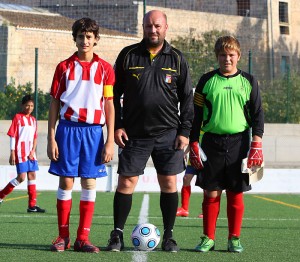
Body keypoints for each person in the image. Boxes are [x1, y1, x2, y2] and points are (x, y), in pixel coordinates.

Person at [105, 10, 193, 253]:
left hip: (168, 133)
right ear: (142, 27)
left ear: (166, 27)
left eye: (157, 26)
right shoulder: (128, 55)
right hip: (134, 134)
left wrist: (184, 131)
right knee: (126, 182)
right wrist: (118, 125)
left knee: (168, 183)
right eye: (148, 26)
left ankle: (169, 236)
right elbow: (113, 94)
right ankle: (117, 234)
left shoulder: (176, 58)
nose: (152, 30)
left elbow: (187, 99)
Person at [189, 36, 264, 253]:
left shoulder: (249, 81)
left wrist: (257, 142)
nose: (227, 59)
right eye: (223, 55)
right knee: (210, 193)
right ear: (217, 57)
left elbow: (258, 114)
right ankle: (208, 238)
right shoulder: (206, 81)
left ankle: (234, 238)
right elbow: (196, 115)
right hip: (211, 142)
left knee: (235, 192)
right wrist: (193, 142)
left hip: (240, 142)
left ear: (238, 56)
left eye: (231, 55)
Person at [47, 17, 115, 253]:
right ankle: (62, 237)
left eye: (89, 37)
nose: (84, 40)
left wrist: (109, 140)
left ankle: (82, 238)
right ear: (74, 38)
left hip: (94, 132)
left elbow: (109, 104)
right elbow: (54, 103)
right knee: (66, 181)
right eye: (80, 36)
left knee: (89, 182)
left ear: (96, 40)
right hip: (67, 129)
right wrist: (51, 137)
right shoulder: (63, 67)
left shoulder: (105, 69)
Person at [0, 95, 45, 213]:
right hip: (20, 152)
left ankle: (32, 205)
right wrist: (12, 152)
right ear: (22, 105)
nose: (29, 108)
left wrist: (32, 151)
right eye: (27, 105)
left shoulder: (34, 120)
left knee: (32, 176)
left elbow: (35, 137)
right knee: (21, 178)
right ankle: (1, 195)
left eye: (31, 106)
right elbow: (13, 135)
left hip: (30, 153)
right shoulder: (18, 117)